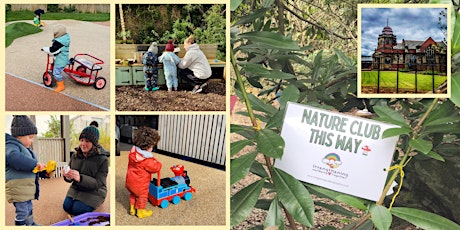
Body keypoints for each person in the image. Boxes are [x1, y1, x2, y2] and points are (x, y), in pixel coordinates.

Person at [5, 116, 45, 226]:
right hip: (18, 188)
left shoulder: (25, 149)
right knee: (22, 211)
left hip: (25, 189)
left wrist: (43, 171)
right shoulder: (11, 146)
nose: (32, 141)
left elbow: (31, 168)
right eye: (30, 137)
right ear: (19, 135)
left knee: (29, 208)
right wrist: (34, 164)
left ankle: (30, 224)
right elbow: (14, 158)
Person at [62, 126, 108, 216]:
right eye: (82, 140)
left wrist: (80, 178)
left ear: (94, 143)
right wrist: (67, 176)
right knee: (67, 207)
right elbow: (70, 178)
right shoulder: (75, 156)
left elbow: (99, 183)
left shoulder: (102, 159)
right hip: (77, 188)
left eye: (87, 141)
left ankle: (100, 200)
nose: (83, 144)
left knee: (77, 210)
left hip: (95, 191)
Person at [125, 126, 162, 218]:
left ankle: (132, 209)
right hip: (140, 185)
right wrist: (159, 164)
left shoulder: (133, 153)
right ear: (147, 146)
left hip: (130, 182)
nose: (152, 149)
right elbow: (155, 168)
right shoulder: (146, 160)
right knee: (142, 196)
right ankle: (140, 212)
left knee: (133, 194)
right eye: (152, 146)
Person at [42, 24, 71, 93]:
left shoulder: (59, 42)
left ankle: (61, 86)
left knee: (56, 72)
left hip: (61, 59)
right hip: (61, 57)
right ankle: (56, 79)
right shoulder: (64, 37)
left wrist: (44, 49)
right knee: (56, 67)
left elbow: (53, 49)